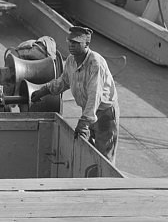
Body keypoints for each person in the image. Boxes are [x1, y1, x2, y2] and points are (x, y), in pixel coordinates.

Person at [30, 26, 120, 163]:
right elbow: (64, 81)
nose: (71, 45)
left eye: (76, 43)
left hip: (105, 114)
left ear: (87, 44)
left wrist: (84, 122)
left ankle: (105, 183)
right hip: (89, 111)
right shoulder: (71, 60)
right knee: (88, 152)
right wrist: (44, 90)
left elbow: (94, 94)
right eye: (70, 42)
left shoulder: (95, 63)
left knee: (104, 158)